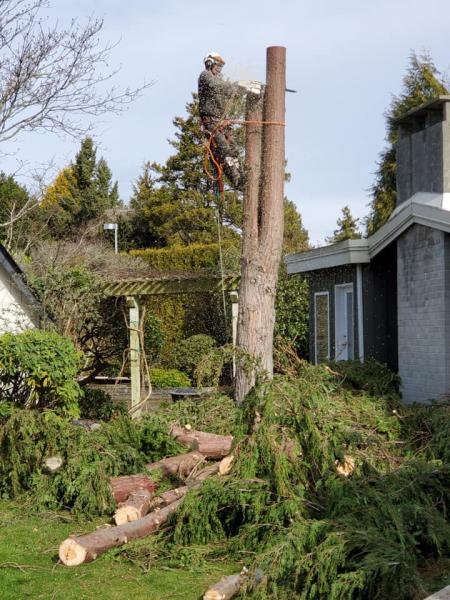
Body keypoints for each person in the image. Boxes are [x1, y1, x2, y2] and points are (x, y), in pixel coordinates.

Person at [198, 52, 243, 190]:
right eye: (217, 65)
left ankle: (242, 175)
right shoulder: (205, 76)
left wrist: (244, 89)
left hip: (222, 121)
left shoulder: (219, 80)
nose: (219, 69)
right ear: (210, 63)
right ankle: (237, 180)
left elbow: (229, 91)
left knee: (234, 149)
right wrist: (237, 85)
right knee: (224, 149)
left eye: (221, 67)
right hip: (211, 122)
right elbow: (218, 86)